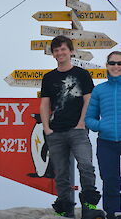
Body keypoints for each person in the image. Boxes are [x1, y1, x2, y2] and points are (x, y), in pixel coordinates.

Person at [39, 35, 105, 219]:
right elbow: (44, 104)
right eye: (56, 50)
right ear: (53, 54)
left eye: (63, 49)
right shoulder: (48, 77)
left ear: (71, 51)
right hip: (56, 132)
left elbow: (88, 100)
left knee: (86, 167)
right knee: (61, 173)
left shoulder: (82, 74)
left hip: (78, 131)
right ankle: (65, 210)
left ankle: (89, 207)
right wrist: (47, 128)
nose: (60, 53)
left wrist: (81, 123)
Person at [85, 51, 121, 219]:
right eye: (112, 63)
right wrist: (102, 126)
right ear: (107, 66)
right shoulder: (99, 90)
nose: (116, 66)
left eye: (119, 63)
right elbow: (89, 119)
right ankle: (112, 214)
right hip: (106, 142)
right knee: (110, 180)